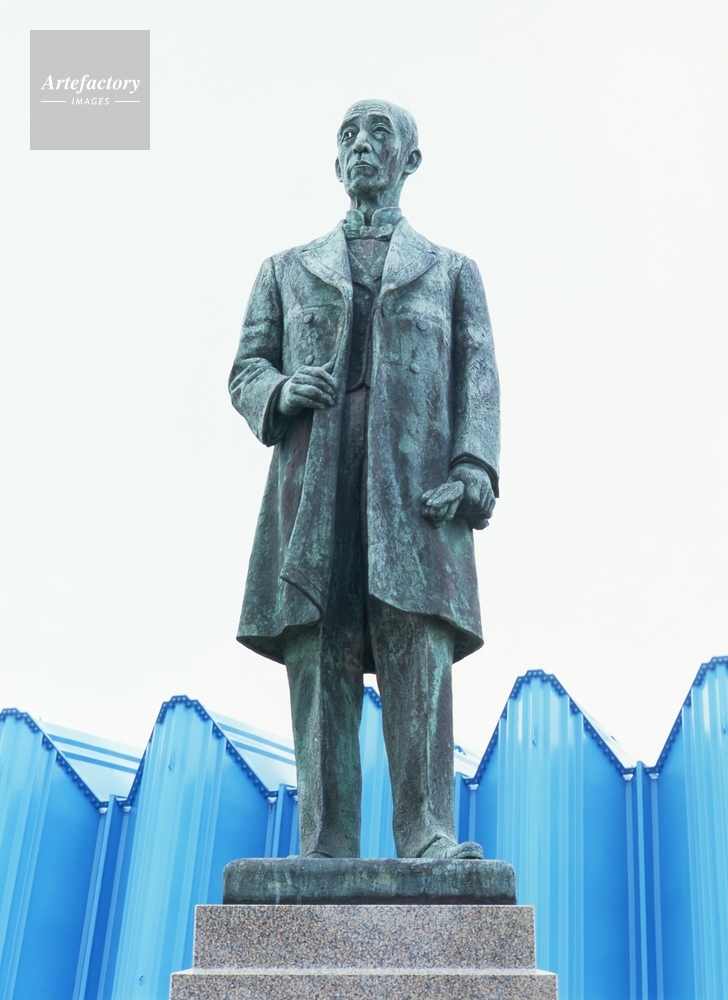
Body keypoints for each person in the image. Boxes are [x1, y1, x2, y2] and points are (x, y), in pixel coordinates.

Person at [229, 100, 500, 860]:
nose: (362, 146)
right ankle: (325, 843)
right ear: (335, 162)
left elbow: (477, 376)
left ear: (411, 159)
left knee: (418, 650)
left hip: (413, 493)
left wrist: (473, 467)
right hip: (316, 488)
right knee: (322, 649)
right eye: (349, 135)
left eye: (380, 133)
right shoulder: (286, 270)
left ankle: (427, 833)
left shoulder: (451, 273)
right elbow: (247, 369)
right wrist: (281, 390)